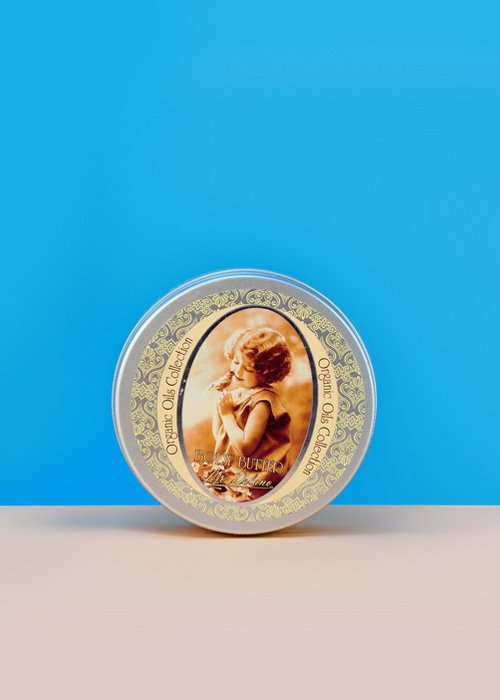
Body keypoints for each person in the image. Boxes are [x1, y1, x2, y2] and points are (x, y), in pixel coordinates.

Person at [202, 327, 293, 501]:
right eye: (236, 361)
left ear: (266, 373)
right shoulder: (240, 395)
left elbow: (245, 447)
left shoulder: (263, 402)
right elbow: (221, 436)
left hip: (257, 479)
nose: (237, 371)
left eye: (248, 369)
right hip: (236, 473)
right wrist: (219, 406)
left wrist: (227, 414)